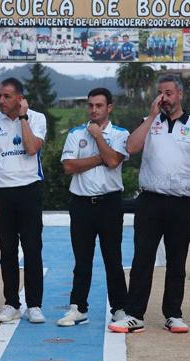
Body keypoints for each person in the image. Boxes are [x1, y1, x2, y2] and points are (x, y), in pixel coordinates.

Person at [108, 75, 190, 334]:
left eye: (168, 93)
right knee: (142, 258)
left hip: (184, 201)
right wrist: (150, 116)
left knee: (177, 260)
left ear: (180, 94)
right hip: (151, 200)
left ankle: (173, 314)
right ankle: (135, 314)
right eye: (160, 93)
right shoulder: (150, 122)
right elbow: (130, 147)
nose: (164, 98)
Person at [57, 88, 129, 327]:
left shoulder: (120, 133)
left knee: (113, 258)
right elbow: (68, 166)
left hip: (109, 202)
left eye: (99, 105)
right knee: (82, 259)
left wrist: (98, 137)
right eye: (91, 105)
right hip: (81, 203)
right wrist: (100, 157)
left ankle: (119, 307)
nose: (94, 110)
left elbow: (113, 161)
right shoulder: (76, 133)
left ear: (109, 107)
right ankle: (78, 308)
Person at [0, 78, 47, 324]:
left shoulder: (36, 119)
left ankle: (35, 304)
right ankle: (11, 303)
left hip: (29, 190)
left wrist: (24, 118)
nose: (1, 101)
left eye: (7, 96)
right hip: (1, 193)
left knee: (32, 249)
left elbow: (31, 148)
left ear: (19, 98)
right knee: (7, 252)